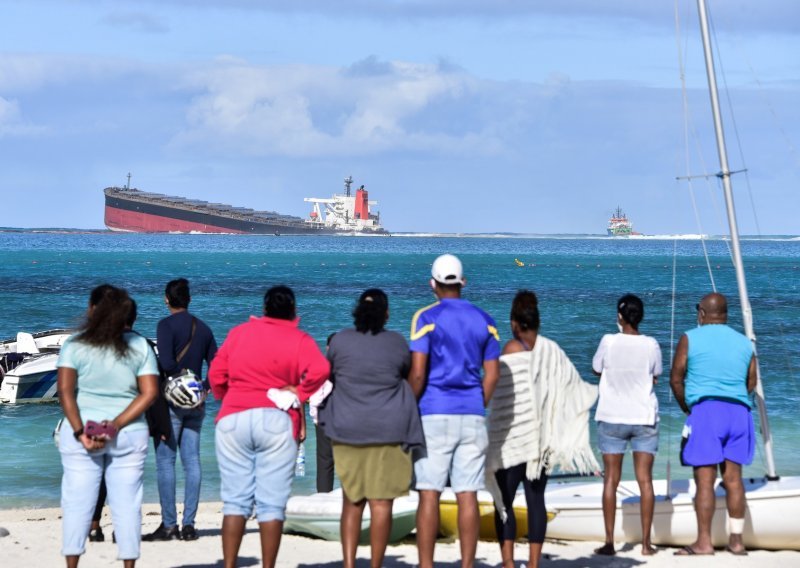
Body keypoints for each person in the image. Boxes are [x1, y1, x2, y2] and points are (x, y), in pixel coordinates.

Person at [208, 285, 329, 568]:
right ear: (293, 311)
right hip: (277, 417)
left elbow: (216, 373)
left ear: (264, 309)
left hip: (233, 417)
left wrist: (228, 397)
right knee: (271, 504)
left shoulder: (239, 333)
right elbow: (322, 370)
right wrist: (299, 392)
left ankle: (228, 564)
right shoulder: (299, 338)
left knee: (235, 502)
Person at [486, 290, 599, 568]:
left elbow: (500, 399)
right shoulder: (552, 351)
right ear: (537, 321)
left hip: (513, 439)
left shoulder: (510, 349)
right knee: (536, 499)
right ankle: (534, 564)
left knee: (505, 502)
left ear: (514, 322)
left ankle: (509, 563)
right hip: (542, 441)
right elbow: (570, 389)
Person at [318, 289, 424, 568]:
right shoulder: (398, 343)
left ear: (357, 311)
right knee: (381, 504)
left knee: (352, 502)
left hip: (347, 430)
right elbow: (411, 377)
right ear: (386, 313)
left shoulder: (339, 341)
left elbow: (326, 375)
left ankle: (349, 564)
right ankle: (376, 565)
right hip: (389, 430)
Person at [56, 285, 159, 567]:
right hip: (128, 433)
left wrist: (80, 431)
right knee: (127, 504)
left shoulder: (75, 345)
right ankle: (128, 564)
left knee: (77, 503)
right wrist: (113, 425)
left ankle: (72, 564)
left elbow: (65, 391)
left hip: (81, 432)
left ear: (91, 310)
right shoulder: (139, 345)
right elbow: (149, 393)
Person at [408, 254, 501, 568]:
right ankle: (467, 564)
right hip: (472, 412)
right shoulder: (485, 319)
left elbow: (418, 374)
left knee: (429, 492)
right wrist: (479, 403)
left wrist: (408, 408)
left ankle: (426, 564)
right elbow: (492, 374)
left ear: (432, 284)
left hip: (434, 411)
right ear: (463, 282)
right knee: (467, 493)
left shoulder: (425, 318)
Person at [670, 292, 757, 556]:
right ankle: (737, 541)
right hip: (740, 412)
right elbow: (751, 381)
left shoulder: (691, 337)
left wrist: (688, 408)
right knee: (733, 480)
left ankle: (704, 542)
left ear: (702, 314)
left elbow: (676, 378)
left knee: (705, 481)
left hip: (707, 411)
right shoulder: (744, 343)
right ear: (726, 314)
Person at [144, 278, 217, 542]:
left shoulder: (165, 325)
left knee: (165, 463)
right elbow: (217, 365)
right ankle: (189, 525)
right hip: (197, 402)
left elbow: (165, 362)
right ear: (189, 299)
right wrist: (203, 387)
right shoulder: (204, 328)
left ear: (167, 299)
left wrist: (178, 382)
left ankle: (169, 525)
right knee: (193, 463)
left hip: (172, 402)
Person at [591, 294, 662, 556]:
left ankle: (609, 542)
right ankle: (645, 544)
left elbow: (596, 367)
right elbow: (656, 374)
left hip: (612, 416)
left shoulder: (609, 341)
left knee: (610, 480)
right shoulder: (651, 344)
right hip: (643, 417)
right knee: (645, 481)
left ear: (620, 317)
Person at [315, 333, 337, 493]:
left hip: (322, 418)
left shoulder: (318, 366)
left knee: (324, 462)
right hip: (345, 418)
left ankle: (323, 497)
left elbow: (313, 396)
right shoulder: (347, 366)